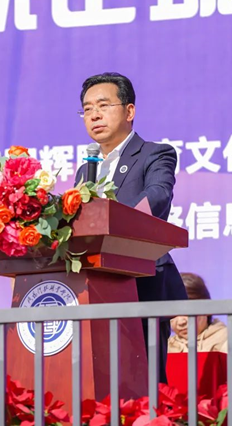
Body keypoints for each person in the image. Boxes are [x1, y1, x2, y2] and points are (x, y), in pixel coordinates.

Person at [75, 72, 188, 382]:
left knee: (144, 382)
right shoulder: (86, 169)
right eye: (87, 109)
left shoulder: (154, 153)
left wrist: (114, 222)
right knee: (100, 382)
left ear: (129, 111)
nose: (94, 115)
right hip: (94, 286)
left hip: (142, 281)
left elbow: (158, 195)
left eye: (103, 105)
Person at [168, 273, 232, 360]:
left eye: (187, 311)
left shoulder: (230, 339)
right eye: (173, 313)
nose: (181, 322)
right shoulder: (166, 346)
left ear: (207, 308)